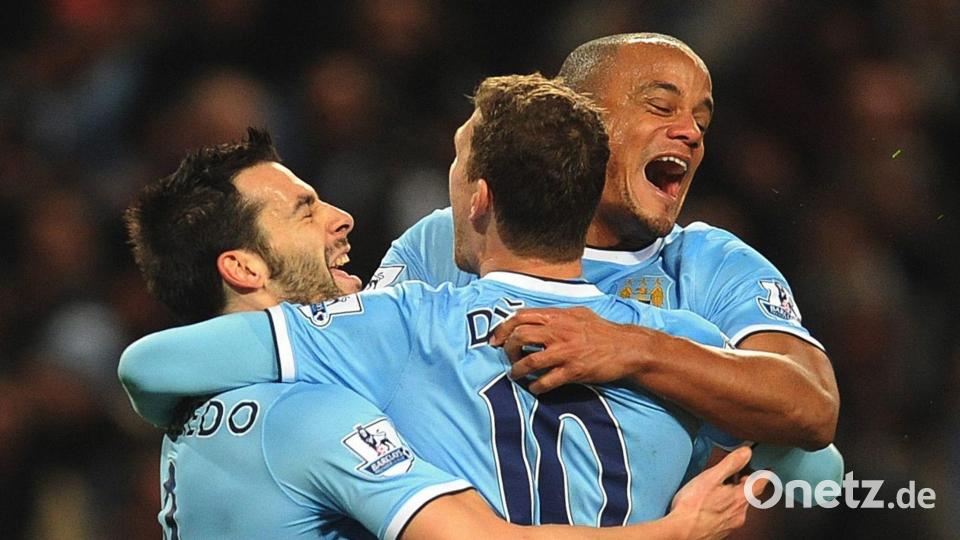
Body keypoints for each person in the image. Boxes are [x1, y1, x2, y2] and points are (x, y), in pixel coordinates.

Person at [119, 75, 772, 535]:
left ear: (480, 200)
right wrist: (677, 528)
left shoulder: (395, 332)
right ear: (241, 265)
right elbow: (805, 441)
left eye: (454, 172)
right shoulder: (307, 413)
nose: (343, 218)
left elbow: (146, 365)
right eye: (306, 208)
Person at [369, 33, 840, 453]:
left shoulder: (709, 264)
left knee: (808, 472)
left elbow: (813, 406)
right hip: (453, 511)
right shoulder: (450, 235)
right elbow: (351, 369)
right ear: (580, 119)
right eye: (661, 106)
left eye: (702, 120)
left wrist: (636, 349)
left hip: (646, 517)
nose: (692, 133)